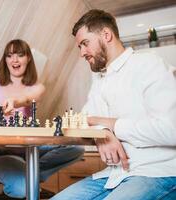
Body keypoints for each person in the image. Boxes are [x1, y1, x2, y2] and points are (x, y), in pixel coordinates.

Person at [51, 9, 176, 200]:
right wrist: (104, 132)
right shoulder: (100, 79)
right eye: (80, 47)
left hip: (157, 172)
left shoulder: (149, 64)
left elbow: (171, 130)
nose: (82, 53)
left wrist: (111, 124)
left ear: (106, 35)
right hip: (114, 175)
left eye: (85, 44)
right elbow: (84, 120)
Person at [0, 39, 84, 198]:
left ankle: (30, 175)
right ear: (5, 60)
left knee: (75, 148)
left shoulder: (37, 87)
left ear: (28, 58)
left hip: (31, 150)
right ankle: (27, 178)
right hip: (0, 153)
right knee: (25, 189)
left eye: (20, 55)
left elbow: (28, 98)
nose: (14, 60)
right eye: (9, 56)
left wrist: (14, 102)